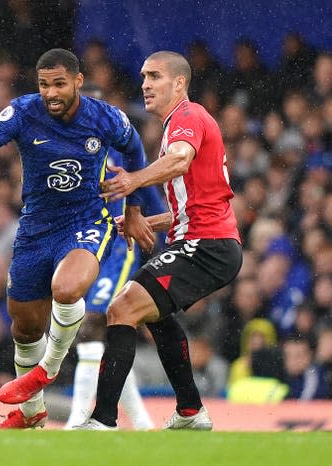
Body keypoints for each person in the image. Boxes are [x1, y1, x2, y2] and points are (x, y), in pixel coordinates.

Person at [0, 48, 154, 428]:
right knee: (24, 328)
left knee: (68, 289)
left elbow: (135, 151)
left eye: (59, 84)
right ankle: (32, 412)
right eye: (44, 85)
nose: (51, 93)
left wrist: (134, 209)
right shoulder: (23, 112)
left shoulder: (104, 117)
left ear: (77, 81)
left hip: (86, 221)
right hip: (35, 229)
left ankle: (49, 368)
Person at [74, 51, 242, 430]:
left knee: (122, 309)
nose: (145, 85)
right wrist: (146, 221)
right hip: (205, 242)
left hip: (206, 246)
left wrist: (132, 180)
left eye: (154, 77)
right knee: (155, 314)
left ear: (179, 83)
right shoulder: (175, 124)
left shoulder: (187, 117)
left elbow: (180, 160)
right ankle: (189, 410)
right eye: (143, 77)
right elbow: (191, 206)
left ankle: (102, 420)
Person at [63, 82, 161, 430]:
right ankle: (141, 422)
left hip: (118, 252)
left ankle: (77, 423)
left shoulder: (127, 159)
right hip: (82, 250)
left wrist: (149, 239)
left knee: (93, 327)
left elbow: (152, 209)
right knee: (110, 336)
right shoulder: (66, 158)